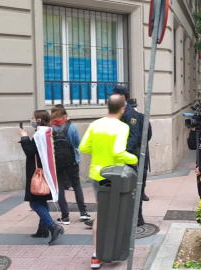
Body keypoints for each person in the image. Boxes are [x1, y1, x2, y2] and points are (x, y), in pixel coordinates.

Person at [78, 94, 138, 269]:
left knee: (101, 212)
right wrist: (133, 158)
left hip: (97, 175)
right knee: (114, 212)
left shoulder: (95, 124)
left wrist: (99, 151)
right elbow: (119, 151)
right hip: (114, 176)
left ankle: (97, 255)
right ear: (123, 108)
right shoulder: (121, 127)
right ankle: (113, 250)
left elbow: (83, 147)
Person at [18, 110, 64, 245]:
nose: (31, 120)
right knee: (41, 201)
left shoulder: (39, 135)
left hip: (37, 173)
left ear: (38, 120)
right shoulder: (48, 132)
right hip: (46, 172)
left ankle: (52, 227)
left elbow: (30, 152)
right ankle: (42, 230)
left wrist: (24, 137)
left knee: (35, 202)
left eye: (33, 118)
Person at [109, 85, 152, 226]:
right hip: (125, 157)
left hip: (131, 157)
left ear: (123, 98)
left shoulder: (130, 114)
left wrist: (121, 153)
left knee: (134, 187)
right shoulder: (121, 113)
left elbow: (132, 138)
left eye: (114, 95)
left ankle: (137, 217)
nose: (111, 97)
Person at [50, 106, 91, 225]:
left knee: (61, 189)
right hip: (72, 161)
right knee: (77, 186)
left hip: (57, 162)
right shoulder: (71, 127)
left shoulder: (50, 128)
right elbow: (78, 144)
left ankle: (65, 216)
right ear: (64, 115)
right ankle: (83, 212)